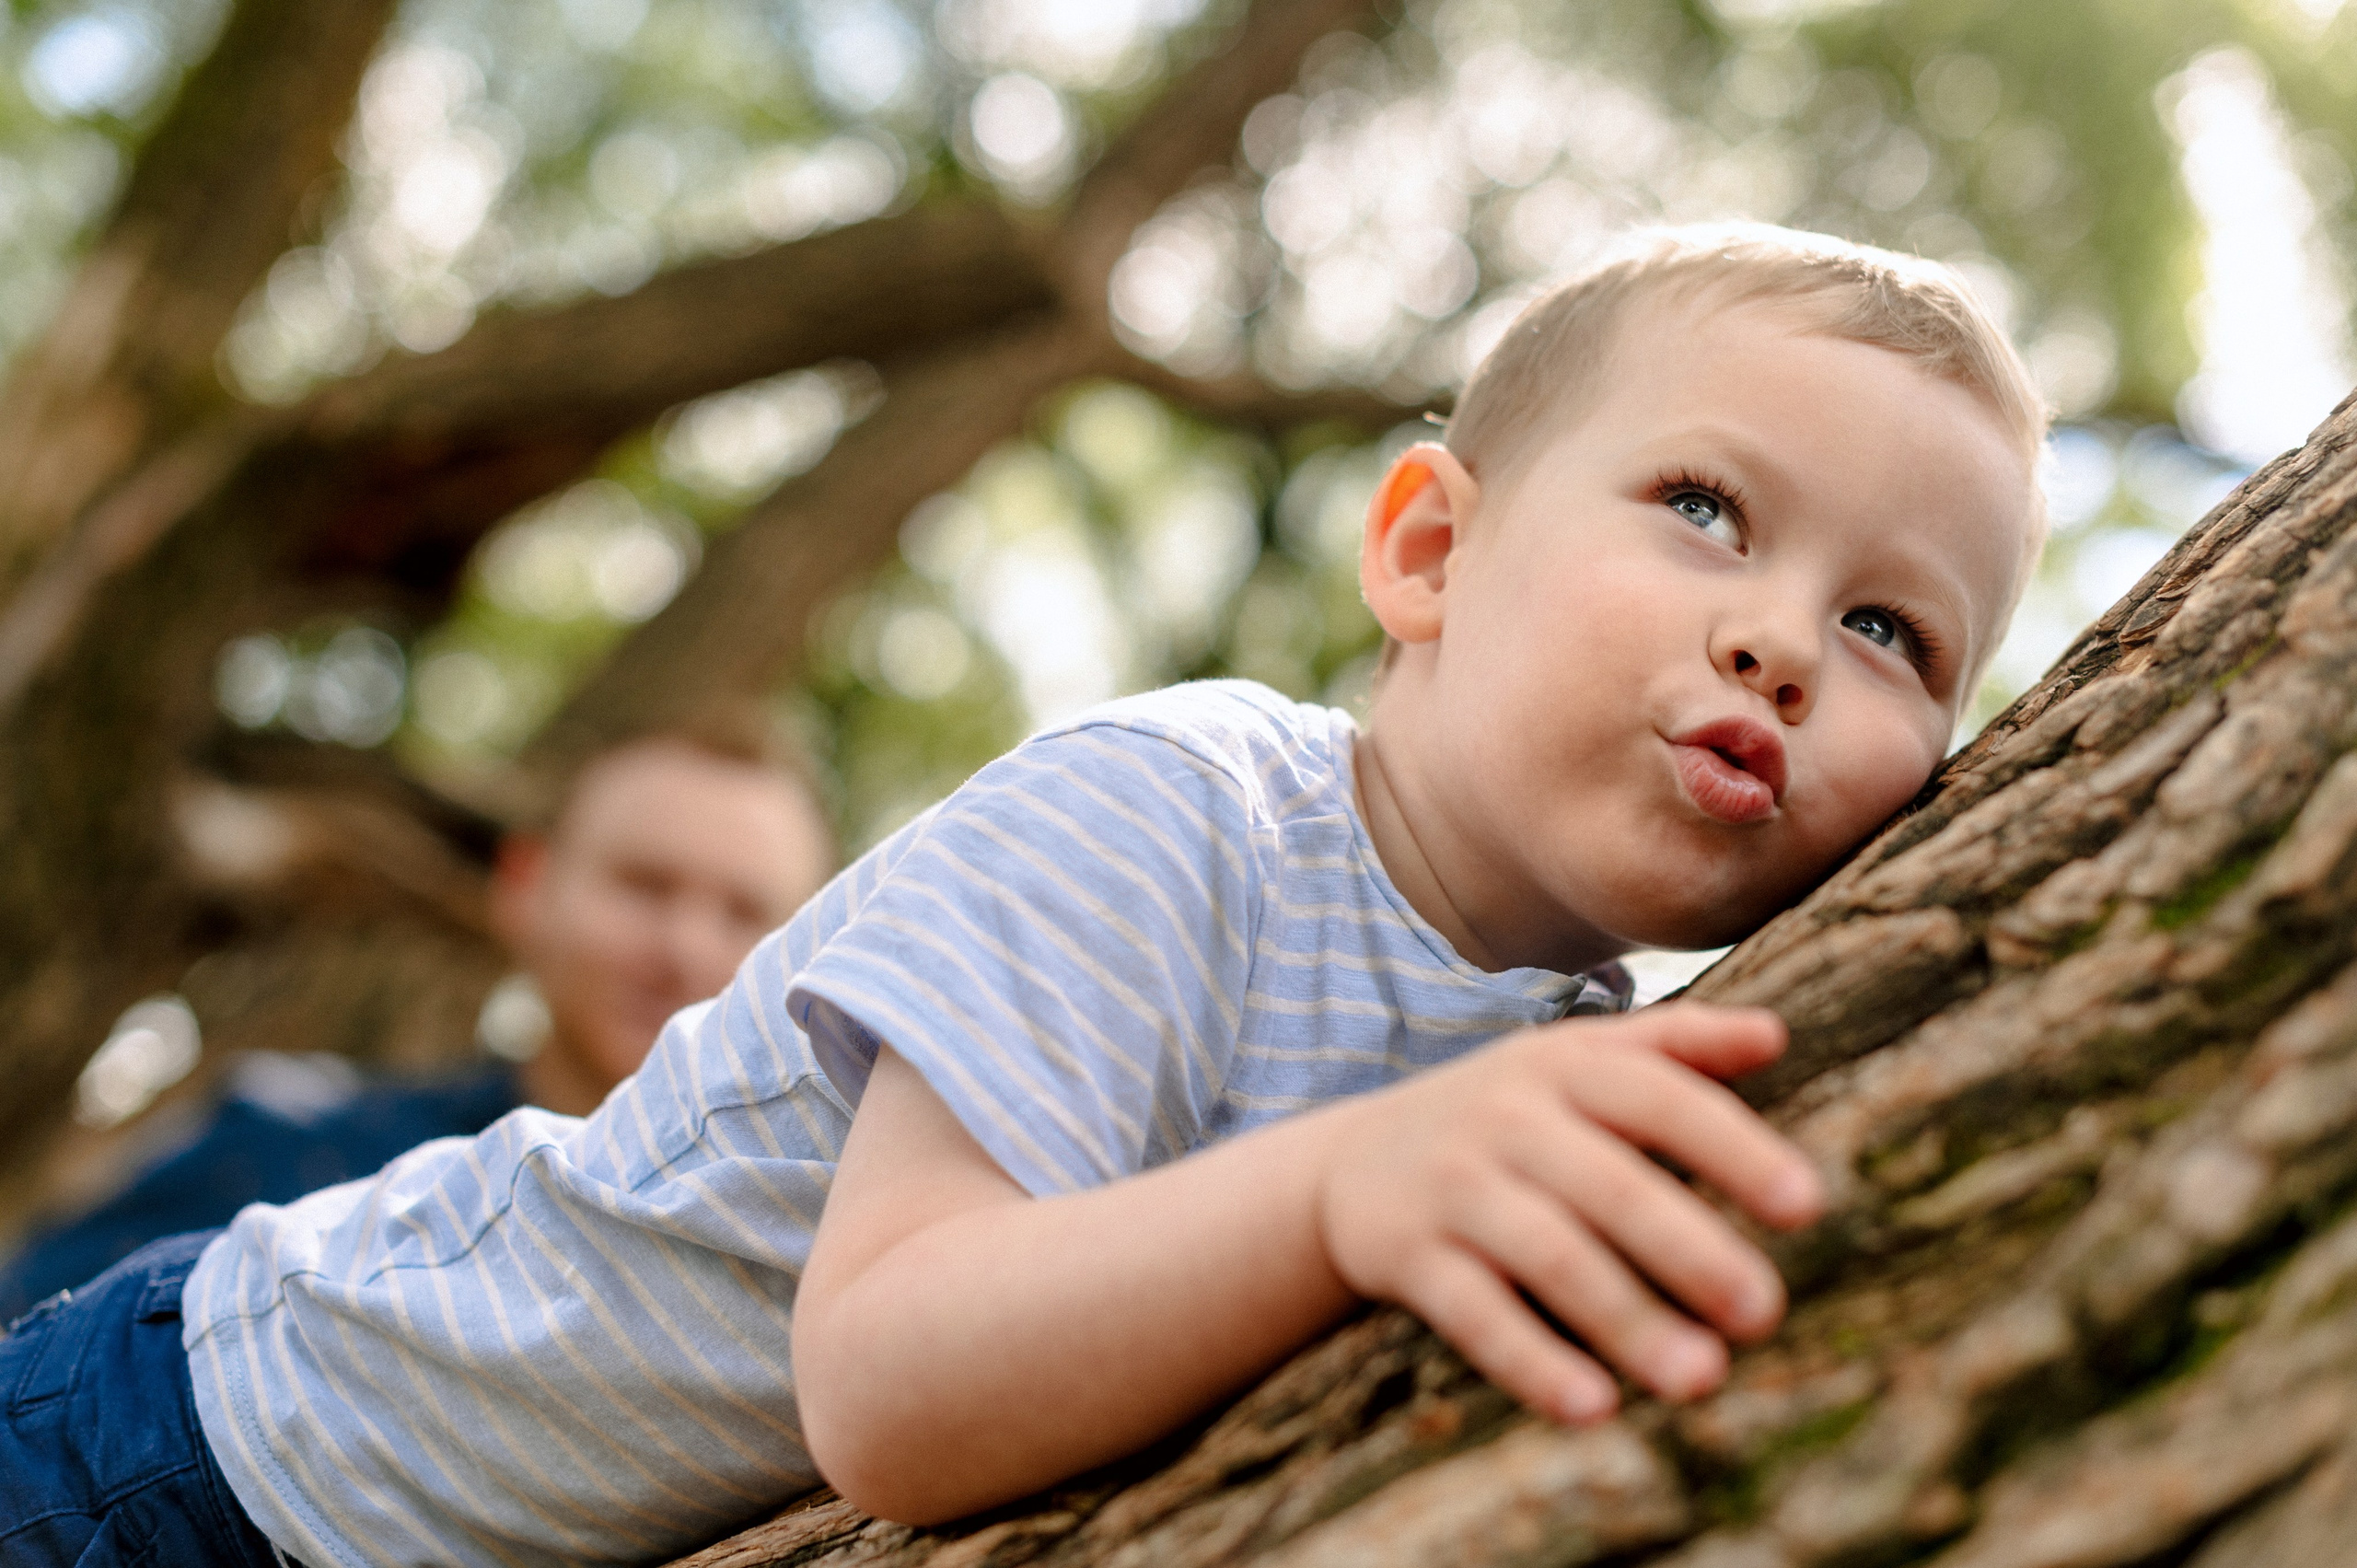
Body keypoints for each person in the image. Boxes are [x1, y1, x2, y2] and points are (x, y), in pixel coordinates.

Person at [1, 225, 2048, 1568]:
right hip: (201, 1455)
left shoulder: (1578, 1055)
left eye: (1892, 630)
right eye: (1701, 508)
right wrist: (1352, 1184)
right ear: (1424, 551)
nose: (1783, 640)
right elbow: (889, 1379)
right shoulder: (1178, 814)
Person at [0, 719, 836, 1322]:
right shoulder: (283, 1143)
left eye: (745, 911)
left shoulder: (819, 1243)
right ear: (525, 888)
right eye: (643, 884)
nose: (685, 946)